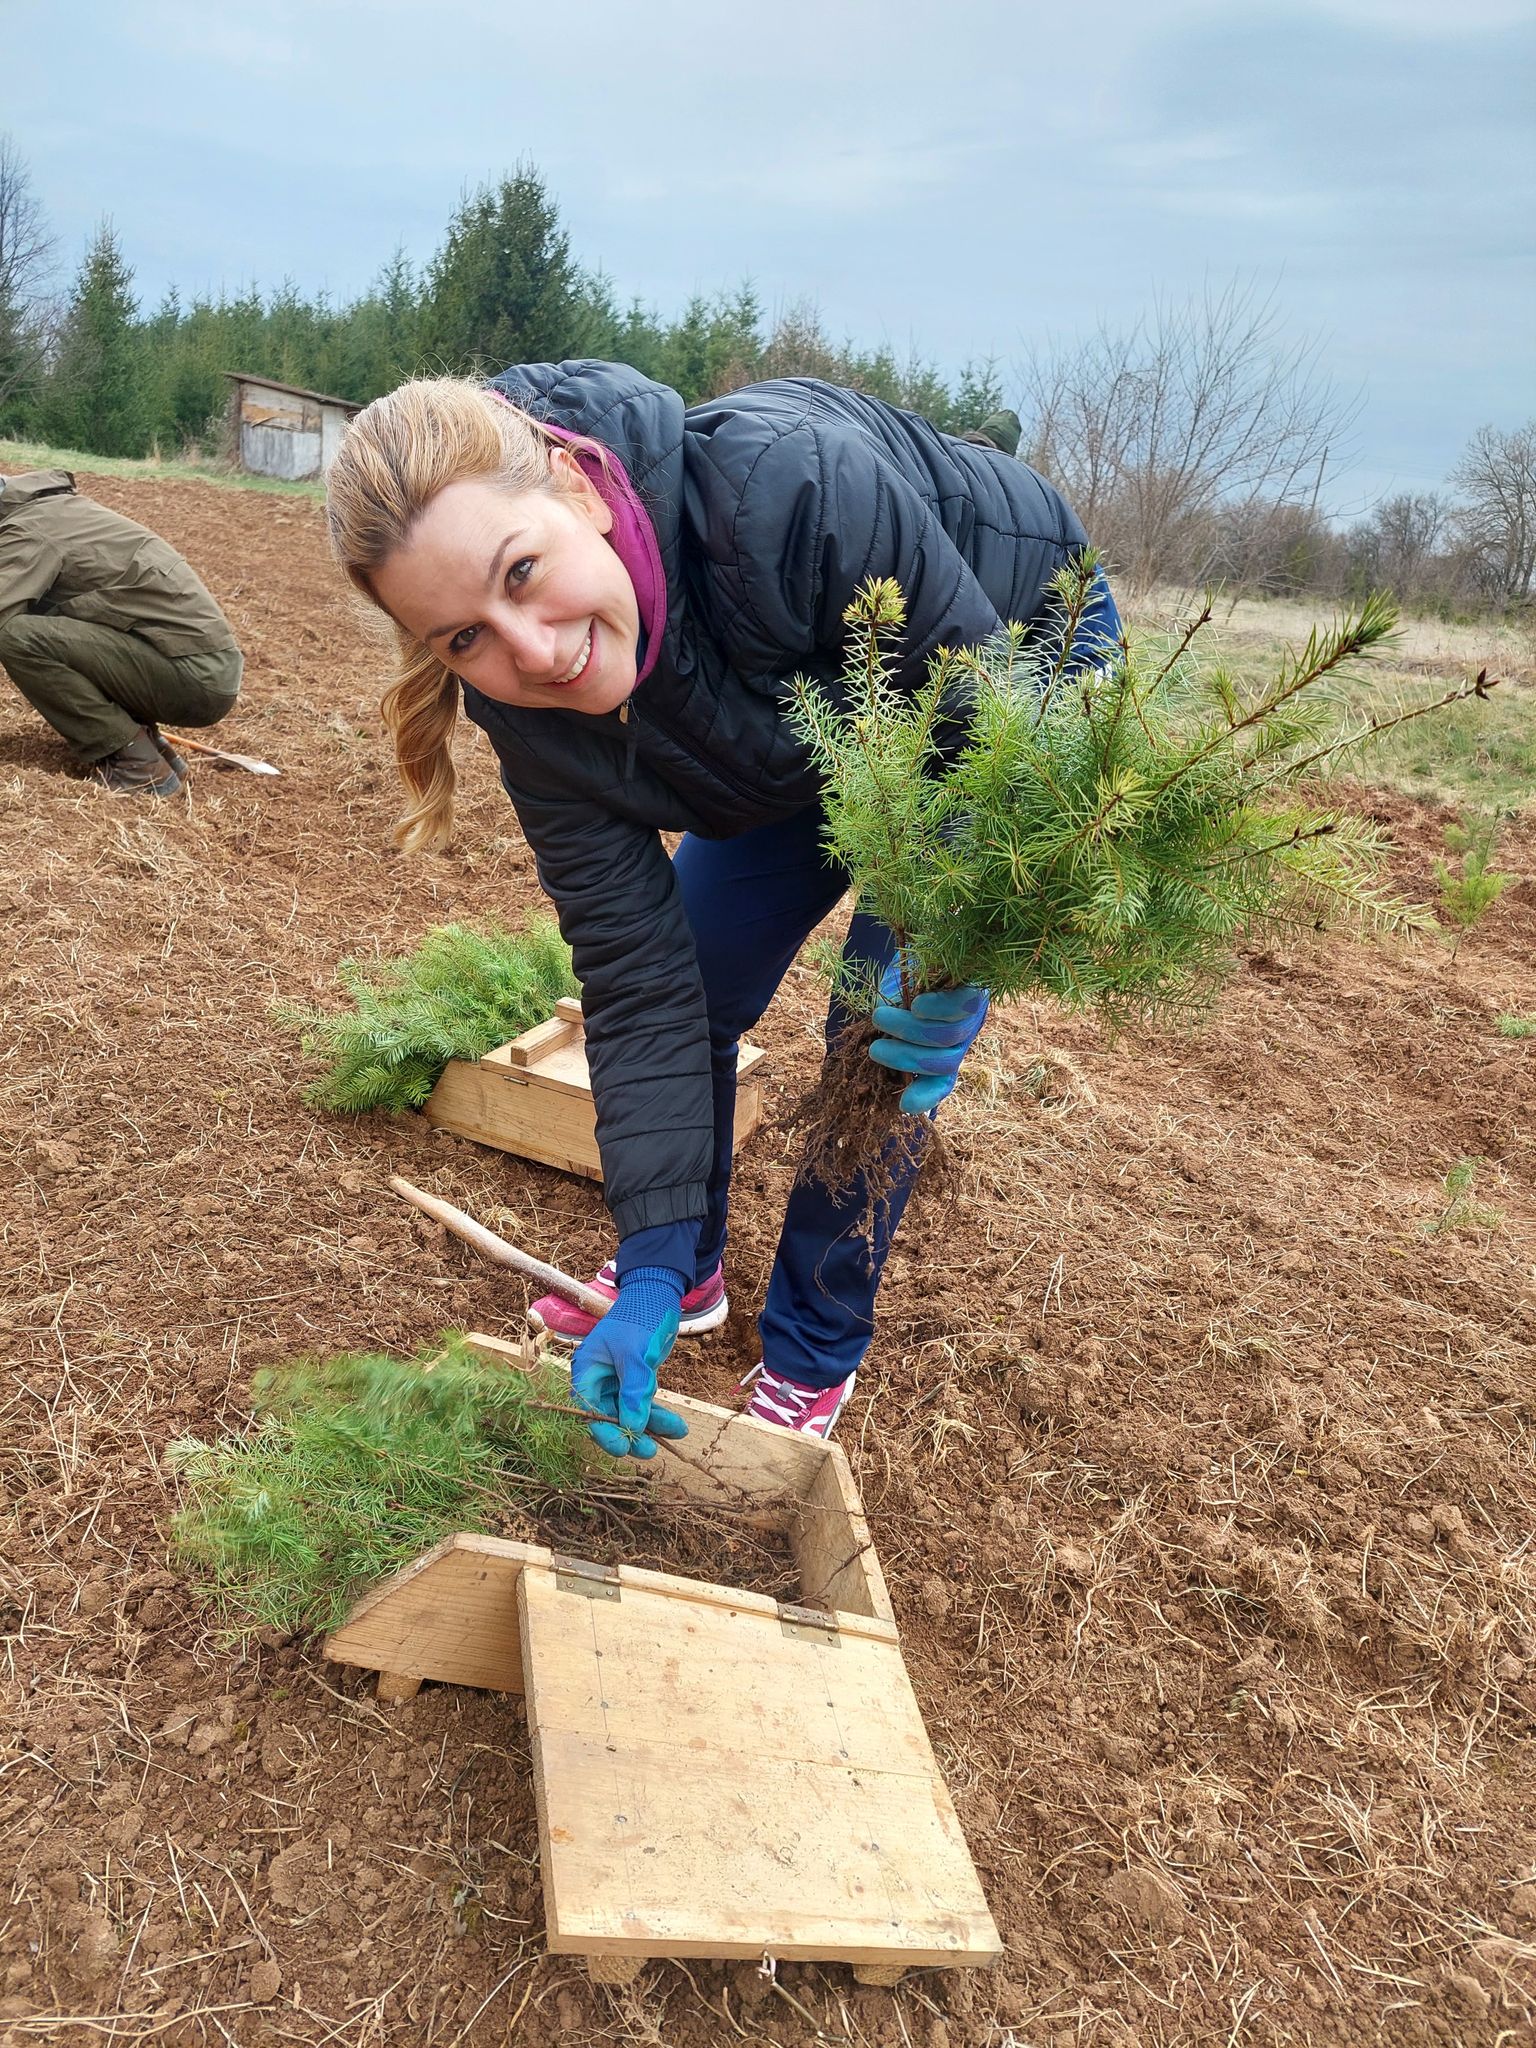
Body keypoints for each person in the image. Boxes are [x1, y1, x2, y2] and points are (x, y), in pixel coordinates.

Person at [325, 364, 1121, 1457]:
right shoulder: (535, 714)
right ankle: (684, 1269)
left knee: (874, 1033)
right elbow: (639, 978)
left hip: (1003, 655)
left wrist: (958, 941)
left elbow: (979, 744)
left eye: (523, 571)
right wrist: (648, 1255)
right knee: (693, 978)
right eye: (464, 636)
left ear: (578, 488)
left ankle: (812, 1346)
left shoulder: (786, 489)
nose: (537, 651)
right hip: (795, 711)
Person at [0, 470, 243, 795]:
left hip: (197, 679)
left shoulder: (28, 531)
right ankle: (149, 748)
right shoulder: (51, 510)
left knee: (16, 635)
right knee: (44, 622)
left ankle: (135, 764)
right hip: (201, 671)